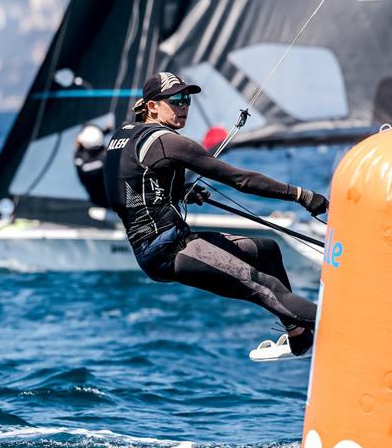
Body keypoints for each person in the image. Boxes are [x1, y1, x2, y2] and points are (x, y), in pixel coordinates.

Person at [103, 72, 328, 356]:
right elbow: (240, 180)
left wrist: (180, 192)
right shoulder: (168, 142)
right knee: (262, 285)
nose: (184, 106)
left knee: (266, 250)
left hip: (169, 240)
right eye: (176, 100)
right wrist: (301, 195)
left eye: (187, 99)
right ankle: (349, 328)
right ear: (152, 106)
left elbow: (128, 184)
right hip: (166, 250)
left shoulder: (124, 136)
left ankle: (298, 335)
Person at [75, 124, 110, 208]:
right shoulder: (105, 159)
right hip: (104, 198)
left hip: (95, 196)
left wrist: (106, 130)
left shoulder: (79, 157)